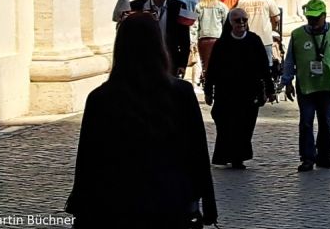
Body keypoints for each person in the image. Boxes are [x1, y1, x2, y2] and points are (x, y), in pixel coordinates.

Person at [66, 14, 217, 227]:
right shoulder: (180, 93)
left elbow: (89, 160)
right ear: (159, 45)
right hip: (171, 200)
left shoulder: (101, 98)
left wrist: (81, 209)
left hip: (117, 202)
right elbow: (197, 152)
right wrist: (208, 203)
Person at [280, 0, 330, 172]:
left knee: (325, 122)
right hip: (306, 85)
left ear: (324, 16)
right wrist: (287, 81)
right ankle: (307, 157)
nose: (312, 22)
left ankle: (324, 156)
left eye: (316, 18)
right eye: (309, 18)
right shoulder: (297, 34)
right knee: (306, 122)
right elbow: (290, 60)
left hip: (328, 84)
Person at [205, 8, 276, 169]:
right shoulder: (221, 44)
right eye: (238, 20)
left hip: (249, 92)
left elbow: (264, 68)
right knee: (226, 126)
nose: (242, 23)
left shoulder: (254, 41)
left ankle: (238, 157)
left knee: (245, 126)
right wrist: (209, 91)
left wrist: (270, 90)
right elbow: (213, 69)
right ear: (230, 23)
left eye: (244, 20)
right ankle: (226, 155)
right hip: (226, 92)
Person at [130, 0, 192, 78]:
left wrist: (182, 63)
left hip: (170, 59)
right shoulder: (136, 6)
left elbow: (184, 38)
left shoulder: (179, 7)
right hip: (143, 60)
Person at [195, 0, 228, 83]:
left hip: (203, 38)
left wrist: (193, 41)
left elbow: (194, 25)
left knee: (206, 65)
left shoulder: (199, 6)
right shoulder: (222, 6)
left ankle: (207, 85)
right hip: (218, 38)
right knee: (219, 64)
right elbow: (226, 24)